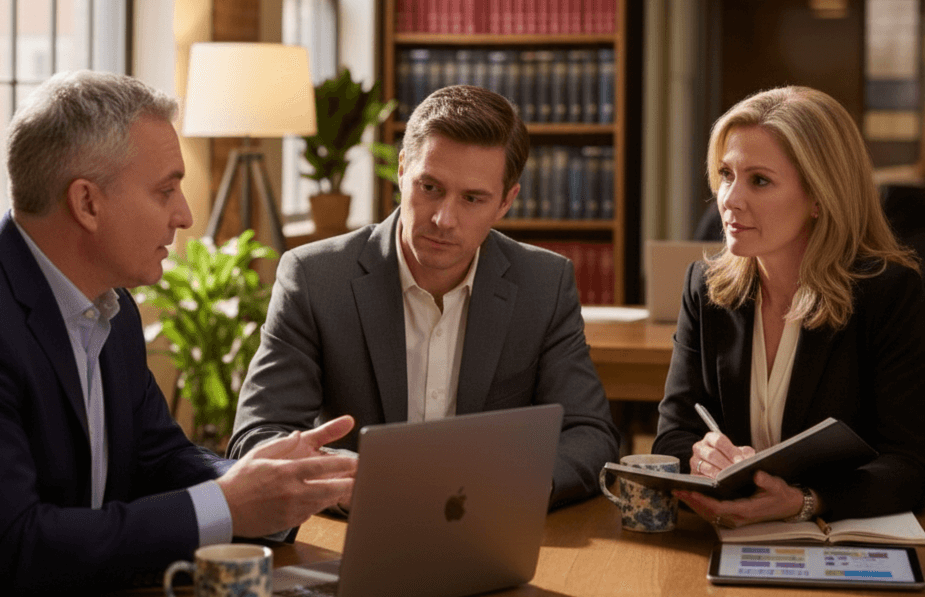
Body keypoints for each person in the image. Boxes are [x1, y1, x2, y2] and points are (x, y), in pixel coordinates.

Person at [0, 71, 356, 597]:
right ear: (87, 202)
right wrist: (231, 503)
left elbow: (160, 460)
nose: (184, 215)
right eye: (165, 191)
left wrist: (276, 481)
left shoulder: (113, 306)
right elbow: (15, 548)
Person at [229, 85, 620, 507]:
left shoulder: (543, 284)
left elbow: (590, 435)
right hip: (355, 523)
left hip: (488, 525)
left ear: (506, 201)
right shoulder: (315, 278)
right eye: (430, 187)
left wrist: (511, 487)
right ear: (402, 170)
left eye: (472, 198)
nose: (444, 219)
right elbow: (259, 435)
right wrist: (369, 478)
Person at [653, 85, 925, 528]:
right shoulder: (704, 288)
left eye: (759, 180)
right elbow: (672, 437)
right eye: (726, 174)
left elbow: (910, 464)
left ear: (820, 196)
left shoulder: (889, 294)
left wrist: (806, 501)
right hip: (728, 536)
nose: (730, 199)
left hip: (837, 539)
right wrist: (700, 457)